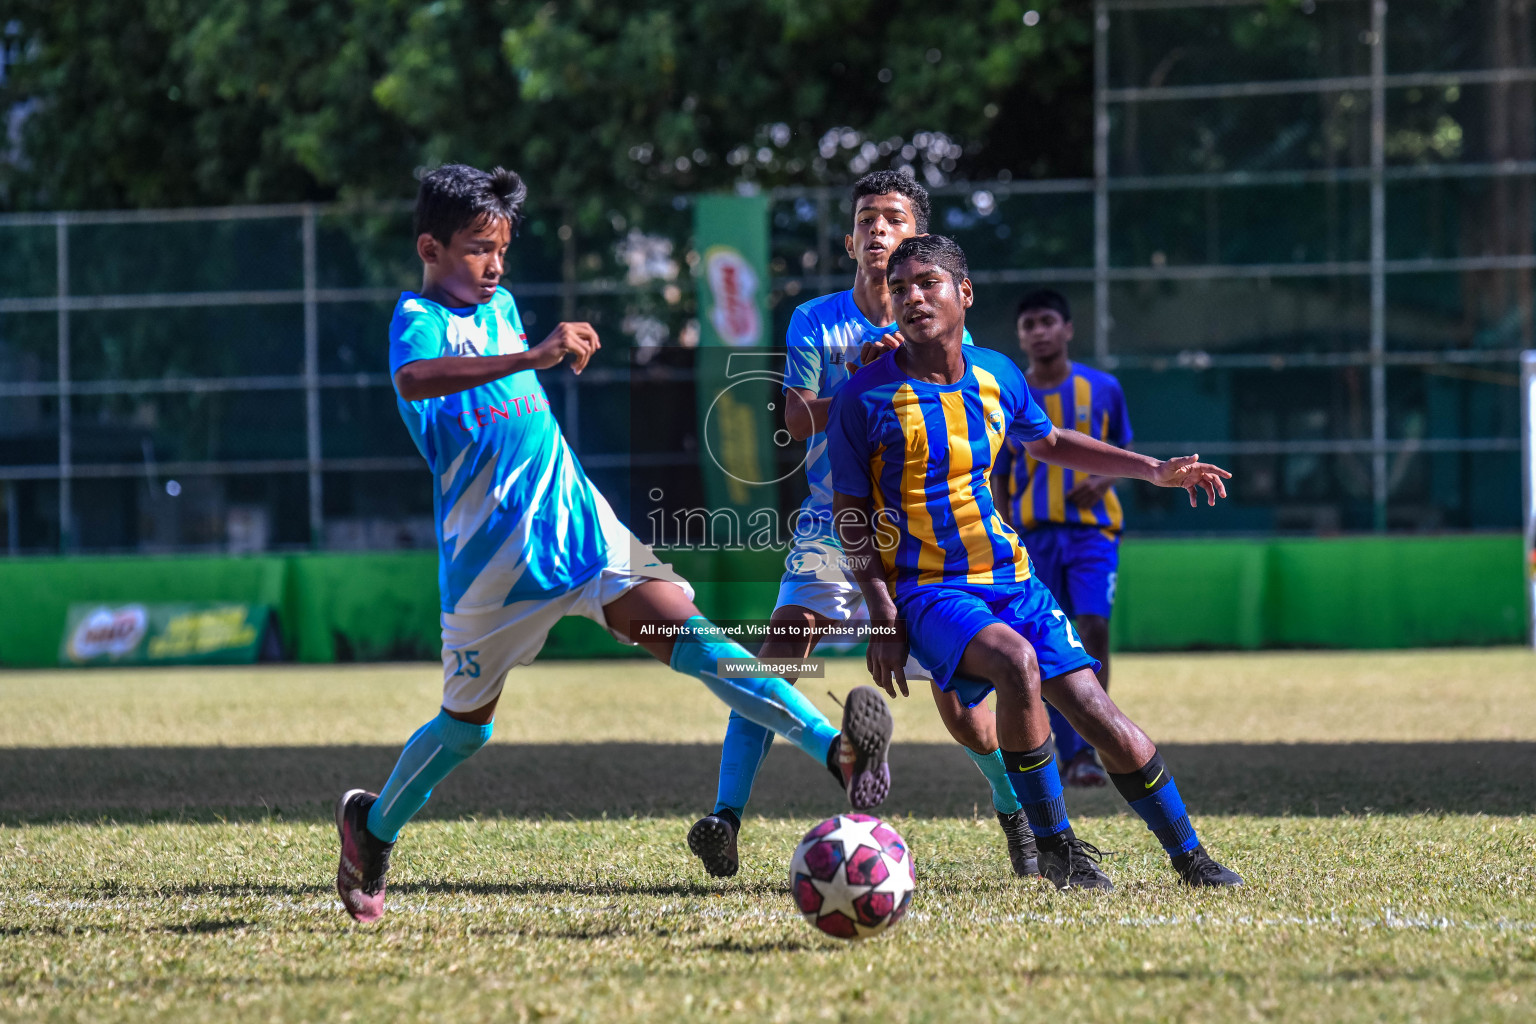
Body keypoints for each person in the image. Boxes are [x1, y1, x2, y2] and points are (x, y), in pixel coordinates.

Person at [333, 163, 895, 923]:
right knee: (466, 730)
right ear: (430, 247)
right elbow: (415, 378)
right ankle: (371, 828)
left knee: (696, 641)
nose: (495, 265)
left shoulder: (496, 301)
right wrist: (531, 356)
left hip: (582, 528)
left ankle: (838, 751)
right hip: (492, 565)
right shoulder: (419, 317)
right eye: (476, 248)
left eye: (501, 247)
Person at [827, 234, 1243, 890]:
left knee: (1097, 711)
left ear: (963, 294)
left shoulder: (997, 374)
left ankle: (1191, 857)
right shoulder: (863, 397)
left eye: (927, 283)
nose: (911, 297)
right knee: (1015, 666)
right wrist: (880, 608)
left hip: (1013, 578)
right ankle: (1058, 849)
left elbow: (1048, 440)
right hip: (928, 589)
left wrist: (1153, 470)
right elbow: (848, 512)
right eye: (900, 288)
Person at [687, 172, 1038, 882]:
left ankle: (1015, 813)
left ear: (919, 242)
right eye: (866, 219)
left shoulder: (940, 324)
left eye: (893, 218)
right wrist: (861, 380)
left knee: (958, 705)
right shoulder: (817, 321)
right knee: (775, 656)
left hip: (923, 530)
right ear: (850, 239)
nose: (878, 229)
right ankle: (724, 817)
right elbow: (793, 421)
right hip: (830, 520)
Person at [993, 288, 1131, 789]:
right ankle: (1055, 749)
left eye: (1048, 321)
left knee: (1093, 627)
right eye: (1029, 324)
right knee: (1037, 643)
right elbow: (1000, 472)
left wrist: (1104, 481)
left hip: (1095, 535)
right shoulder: (1008, 392)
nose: (1039, 331)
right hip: (1033, 537)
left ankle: (1089, 752)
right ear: (1020, 336)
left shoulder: (1103, 388)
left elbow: (1122, 445)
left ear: (1068, 329)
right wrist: (1007, 531)